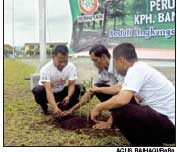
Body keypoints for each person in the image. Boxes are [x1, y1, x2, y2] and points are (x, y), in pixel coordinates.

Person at [90, 43, 175, 146]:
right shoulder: (139, 68)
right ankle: (149, 142)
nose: (115, 67)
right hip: (164, 121)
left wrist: (98, 107)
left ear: (121, 60)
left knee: (121, 111)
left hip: (170, 127)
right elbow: (120, 91)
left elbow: (122, 100)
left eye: (115, 63)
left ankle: (146, 145)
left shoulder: (136, 70)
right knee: (121, 105)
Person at [61, 44, 128, 129]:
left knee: (102, 88)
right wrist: (72, 110)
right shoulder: (102, 71)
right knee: (97, 87)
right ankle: (116, 114)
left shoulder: (119, 66)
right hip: (121, 96)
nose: (94, 64)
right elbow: (92, 90)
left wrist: (108, 122)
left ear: (103, 57)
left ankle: (114, 119)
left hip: (132, 99)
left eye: (95, 60)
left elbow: (122, 91)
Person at [32, 45, 85, 117]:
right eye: (60, 61)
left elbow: (71, 84)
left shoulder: (71, 67)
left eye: (65, 61)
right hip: (48, 93)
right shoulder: (45, 69)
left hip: (61, 92)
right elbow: (48, 90)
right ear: (53, 57)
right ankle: (44, 106)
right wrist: (54, 108)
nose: (63, 64)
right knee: (38, 91)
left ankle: (63, 107)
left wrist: (68, 96)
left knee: (80, 88)